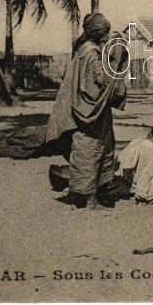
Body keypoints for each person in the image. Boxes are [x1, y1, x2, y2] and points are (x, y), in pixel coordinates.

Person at [45, 13, 128, 209]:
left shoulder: (85, 50)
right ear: (98, 33)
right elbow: (98, 82)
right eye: (106, 32)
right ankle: (89, 200)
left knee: (92, 151)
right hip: (90, 115)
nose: (108, 35)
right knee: (89, 152)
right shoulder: (91, 53)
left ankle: (82, 196)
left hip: (94, 114)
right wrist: (116, 62)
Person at [117, 124, 153, 194]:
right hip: (127, 183)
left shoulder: (137, 141)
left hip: (119, 178)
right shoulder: (149, 147)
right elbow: (145, 173)